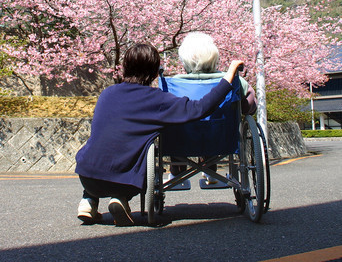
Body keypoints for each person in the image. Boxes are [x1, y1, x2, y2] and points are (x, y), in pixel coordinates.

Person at [75, 42, 244, 226]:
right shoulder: (158, 100)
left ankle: (88, 202)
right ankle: (120, 198)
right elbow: (200, 108)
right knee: (139, 159)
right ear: (156, 72)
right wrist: (229, 77)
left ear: (125, 67)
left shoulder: (107, 93)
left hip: (87, 175)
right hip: (124, 181)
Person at [169, 32, 257, 186]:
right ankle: (211, 171)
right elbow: (249, 108)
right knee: (214, 125)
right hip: (221, 138)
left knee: (176, 126)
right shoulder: (234, 81)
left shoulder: (173, 84)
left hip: (182, 139)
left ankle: (176, 173)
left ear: (184, 60)